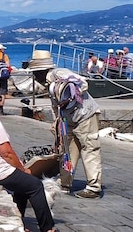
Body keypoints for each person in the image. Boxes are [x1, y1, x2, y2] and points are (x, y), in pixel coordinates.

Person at [0, 84, 57, 232]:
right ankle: (47, 227)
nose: (1, 101)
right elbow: (7, 154)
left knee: (23, 186)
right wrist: (23, 169)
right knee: (35, 186)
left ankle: (19, 220)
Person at [44, 68, 103, 199]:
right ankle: (65, 182)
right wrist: (56, 122)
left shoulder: (59, 73)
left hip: (85, 115)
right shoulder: (48, 83)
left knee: (90, 148)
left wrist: (73, 92)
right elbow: (55, 105)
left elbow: (83, 83)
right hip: (67, 117)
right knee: (67, 149)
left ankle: (94, 187)